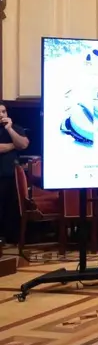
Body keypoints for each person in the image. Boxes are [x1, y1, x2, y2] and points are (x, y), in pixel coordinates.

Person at [0, 103, 28, 245]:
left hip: (12, 176)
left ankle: (12, 239)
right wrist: (12, 145)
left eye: (3, 111)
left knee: (13, 210)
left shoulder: (15, 128)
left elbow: (23, 144)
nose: (1, 115)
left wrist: (9, 129)